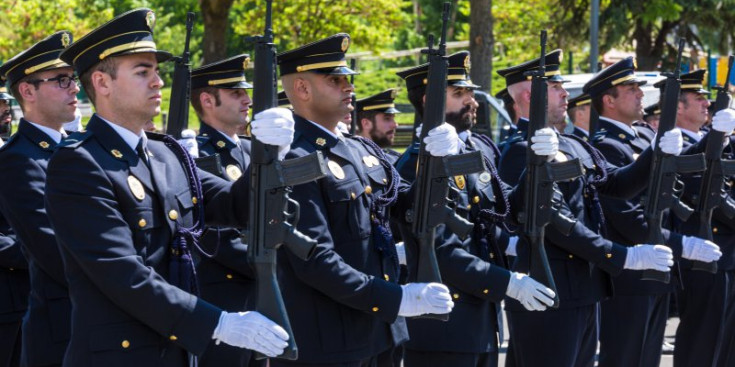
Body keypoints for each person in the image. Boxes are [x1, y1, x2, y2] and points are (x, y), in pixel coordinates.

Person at [43, 9, 291, 366]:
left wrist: (270, 155)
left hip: (177, 352)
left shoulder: (166, 153)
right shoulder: (80, 164)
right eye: (143, 72)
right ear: (102, 83)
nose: (158, 81)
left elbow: (234, 207)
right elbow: (121, 274)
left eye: (156, 71)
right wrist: (218, 323)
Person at [274, 33, 455, 367]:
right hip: (332, 341)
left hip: (382, 334)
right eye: (335, 80)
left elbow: (409, 212)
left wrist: (436, 165)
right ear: (301, 88)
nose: (348, 87)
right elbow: (315, 261)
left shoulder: (361, 150)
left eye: (348, 79)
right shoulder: (294, 158)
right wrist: (396, 299)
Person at [496, 49, 680, 367]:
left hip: (586, 290)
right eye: (556, 86)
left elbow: (615, 186)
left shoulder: (572, 144)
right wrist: (624, 256)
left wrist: (656, 152)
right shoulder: (519, 150)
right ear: (529, 93)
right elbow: (553, 220)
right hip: (548, 290)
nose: (566, 93)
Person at [394, 50, 557, 367]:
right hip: (443, 327)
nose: (472, 100)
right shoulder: (416, 164)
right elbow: (440, 249)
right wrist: (508, 283)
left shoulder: (475, 149)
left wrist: (539, 166)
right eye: (459, 93)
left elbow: (508, 208)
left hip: (482, 321)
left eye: (469, 91)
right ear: (430, 100)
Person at [584, 59, 726, 367]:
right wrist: (680, 245)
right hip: (628, 274)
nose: (640, 95)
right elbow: (623, 212)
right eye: (631, 89)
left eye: (638, 88)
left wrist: (715, 138)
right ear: (609, 101)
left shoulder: (644, 137)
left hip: (657, 270)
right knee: (625, 359)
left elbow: (681, 170)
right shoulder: (604, 145)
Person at [0, 30, 79, 367]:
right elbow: (48, 248)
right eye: (61, 80)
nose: (74, 87)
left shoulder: (79, 151)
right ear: (27, 91)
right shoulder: (20, 159)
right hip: (45, 313)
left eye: (73, 78)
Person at [188, 54, 263, 367]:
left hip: (261, 295)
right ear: (208, 100)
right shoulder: (196, 154)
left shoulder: (250, 149)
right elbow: (214, 233)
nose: (247, 99)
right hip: (222, 301)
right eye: (236, 93)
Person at [662, 69, 735, 367]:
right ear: (678, 107)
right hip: (702, 255)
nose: (707, 104)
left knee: (725, 344)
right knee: (703, 342)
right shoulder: (673, 144)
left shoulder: (711, 139)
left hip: (726, 254)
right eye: (698, 98)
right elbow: (702, 192)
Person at [0, 75, 29, 366]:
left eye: (5, 104)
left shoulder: (12, 152)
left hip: (27, 297)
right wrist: (30, 251)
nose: (5, 110)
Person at [355, 88, 401, 164]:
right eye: (387, 118)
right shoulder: (355, 161)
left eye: (393, 118)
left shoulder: (394, 159)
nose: (395, 125)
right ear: (366, 123)